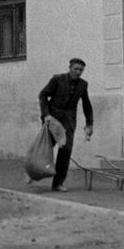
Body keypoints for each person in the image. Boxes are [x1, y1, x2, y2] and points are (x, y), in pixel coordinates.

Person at [38, 58, 93, 192]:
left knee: (66, 151)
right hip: (53, 119)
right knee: (45, 148)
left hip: (69, 121)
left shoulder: (83, 85)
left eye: (81, 70)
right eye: (76, 69)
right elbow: (43, 95)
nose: (78, 72)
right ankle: (33, 171)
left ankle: (58, 183)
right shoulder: (58, 79)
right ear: (70, 68)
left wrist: (89, 124)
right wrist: (46, 114)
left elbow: (86, 104)